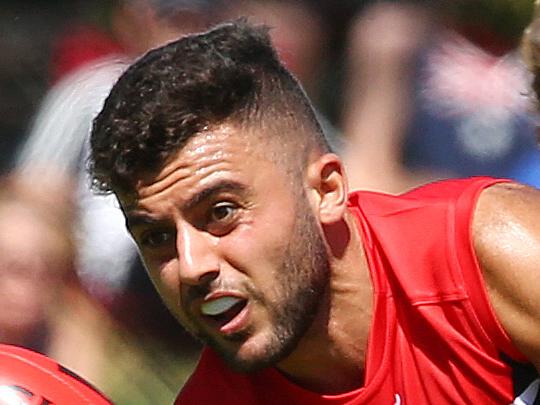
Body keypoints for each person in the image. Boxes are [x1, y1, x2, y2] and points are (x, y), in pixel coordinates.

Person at [89, 21, 540, 404]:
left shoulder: (488, 254)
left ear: (326, 191)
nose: (192, 266)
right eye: (156, 237)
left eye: (221, 212)